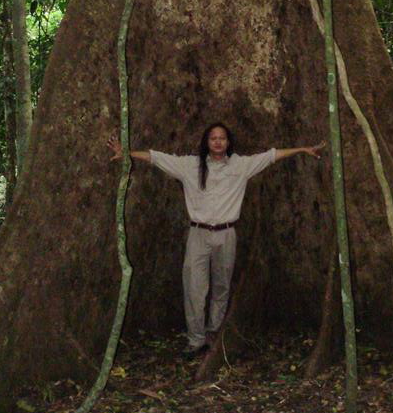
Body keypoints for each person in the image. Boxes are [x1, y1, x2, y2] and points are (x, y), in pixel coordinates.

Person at [109, 123, 324, 356]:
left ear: (228, 142)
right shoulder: (190, 166)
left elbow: (271, 156)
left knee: (221, 286)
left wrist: (302, 149)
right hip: (198, 234)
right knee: (194, 288)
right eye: (213, 138)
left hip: (226, 234)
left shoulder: (240, 165)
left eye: (222, 138)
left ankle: (213, 332)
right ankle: (196, 339)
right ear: (207, 142)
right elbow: (156, 158)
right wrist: (126, 153)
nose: (218, 142)